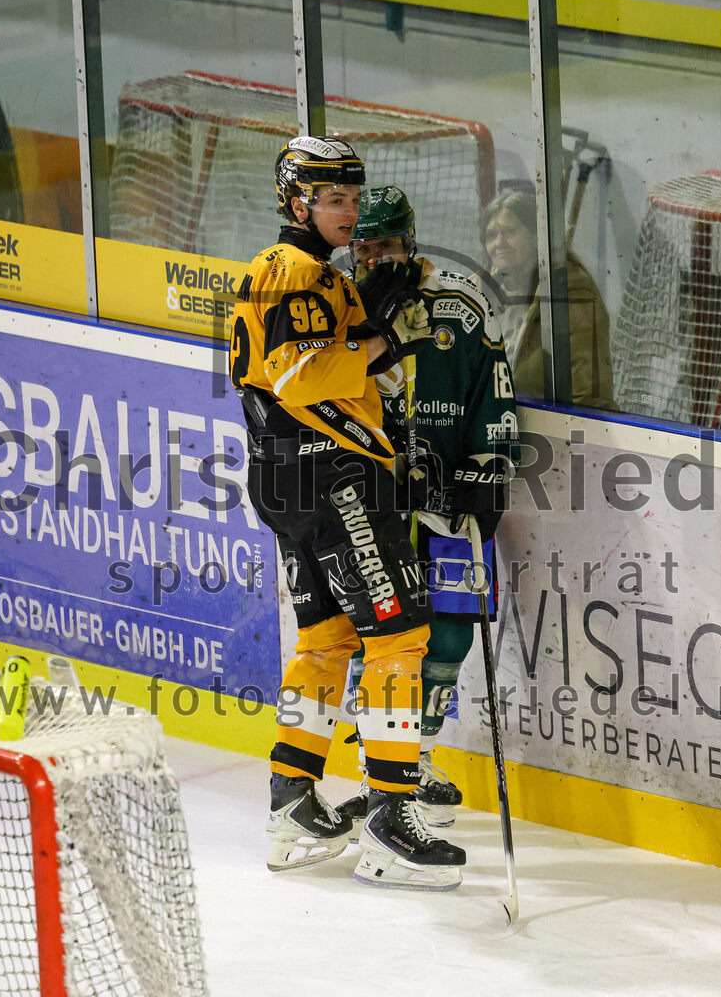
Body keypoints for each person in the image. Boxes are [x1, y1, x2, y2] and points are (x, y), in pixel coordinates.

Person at [230, 137, 466, 890]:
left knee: (328, 640)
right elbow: (310, 377)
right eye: (335, 200)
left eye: (354, 200)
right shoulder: (298, 274)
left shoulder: (291, 272)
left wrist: (378, 306)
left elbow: (342, 357)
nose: (349, 212)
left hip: (287, 479)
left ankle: (292, 798)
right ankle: (393, 817)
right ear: (296, 202)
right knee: (399, 638)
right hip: (331, 477)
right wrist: (391, 327)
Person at [336, 185, 518, 832]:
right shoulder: (336, 309)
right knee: (382, 634)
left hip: (448, 505)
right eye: (364, 244)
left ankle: (419, 754)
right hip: (376, 506)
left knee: (451, 632)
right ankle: (383, 771)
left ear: (410, 241)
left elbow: (493, 393)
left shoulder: (462, 306)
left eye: (385, 243)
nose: (374, 256)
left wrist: (485, 469)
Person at [478, 189, 614, 409]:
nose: (499, 243)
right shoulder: (479, 290)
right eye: (491, 236)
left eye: (510, 232)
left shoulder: (570, 292)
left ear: (535, 236)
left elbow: (588, 394)